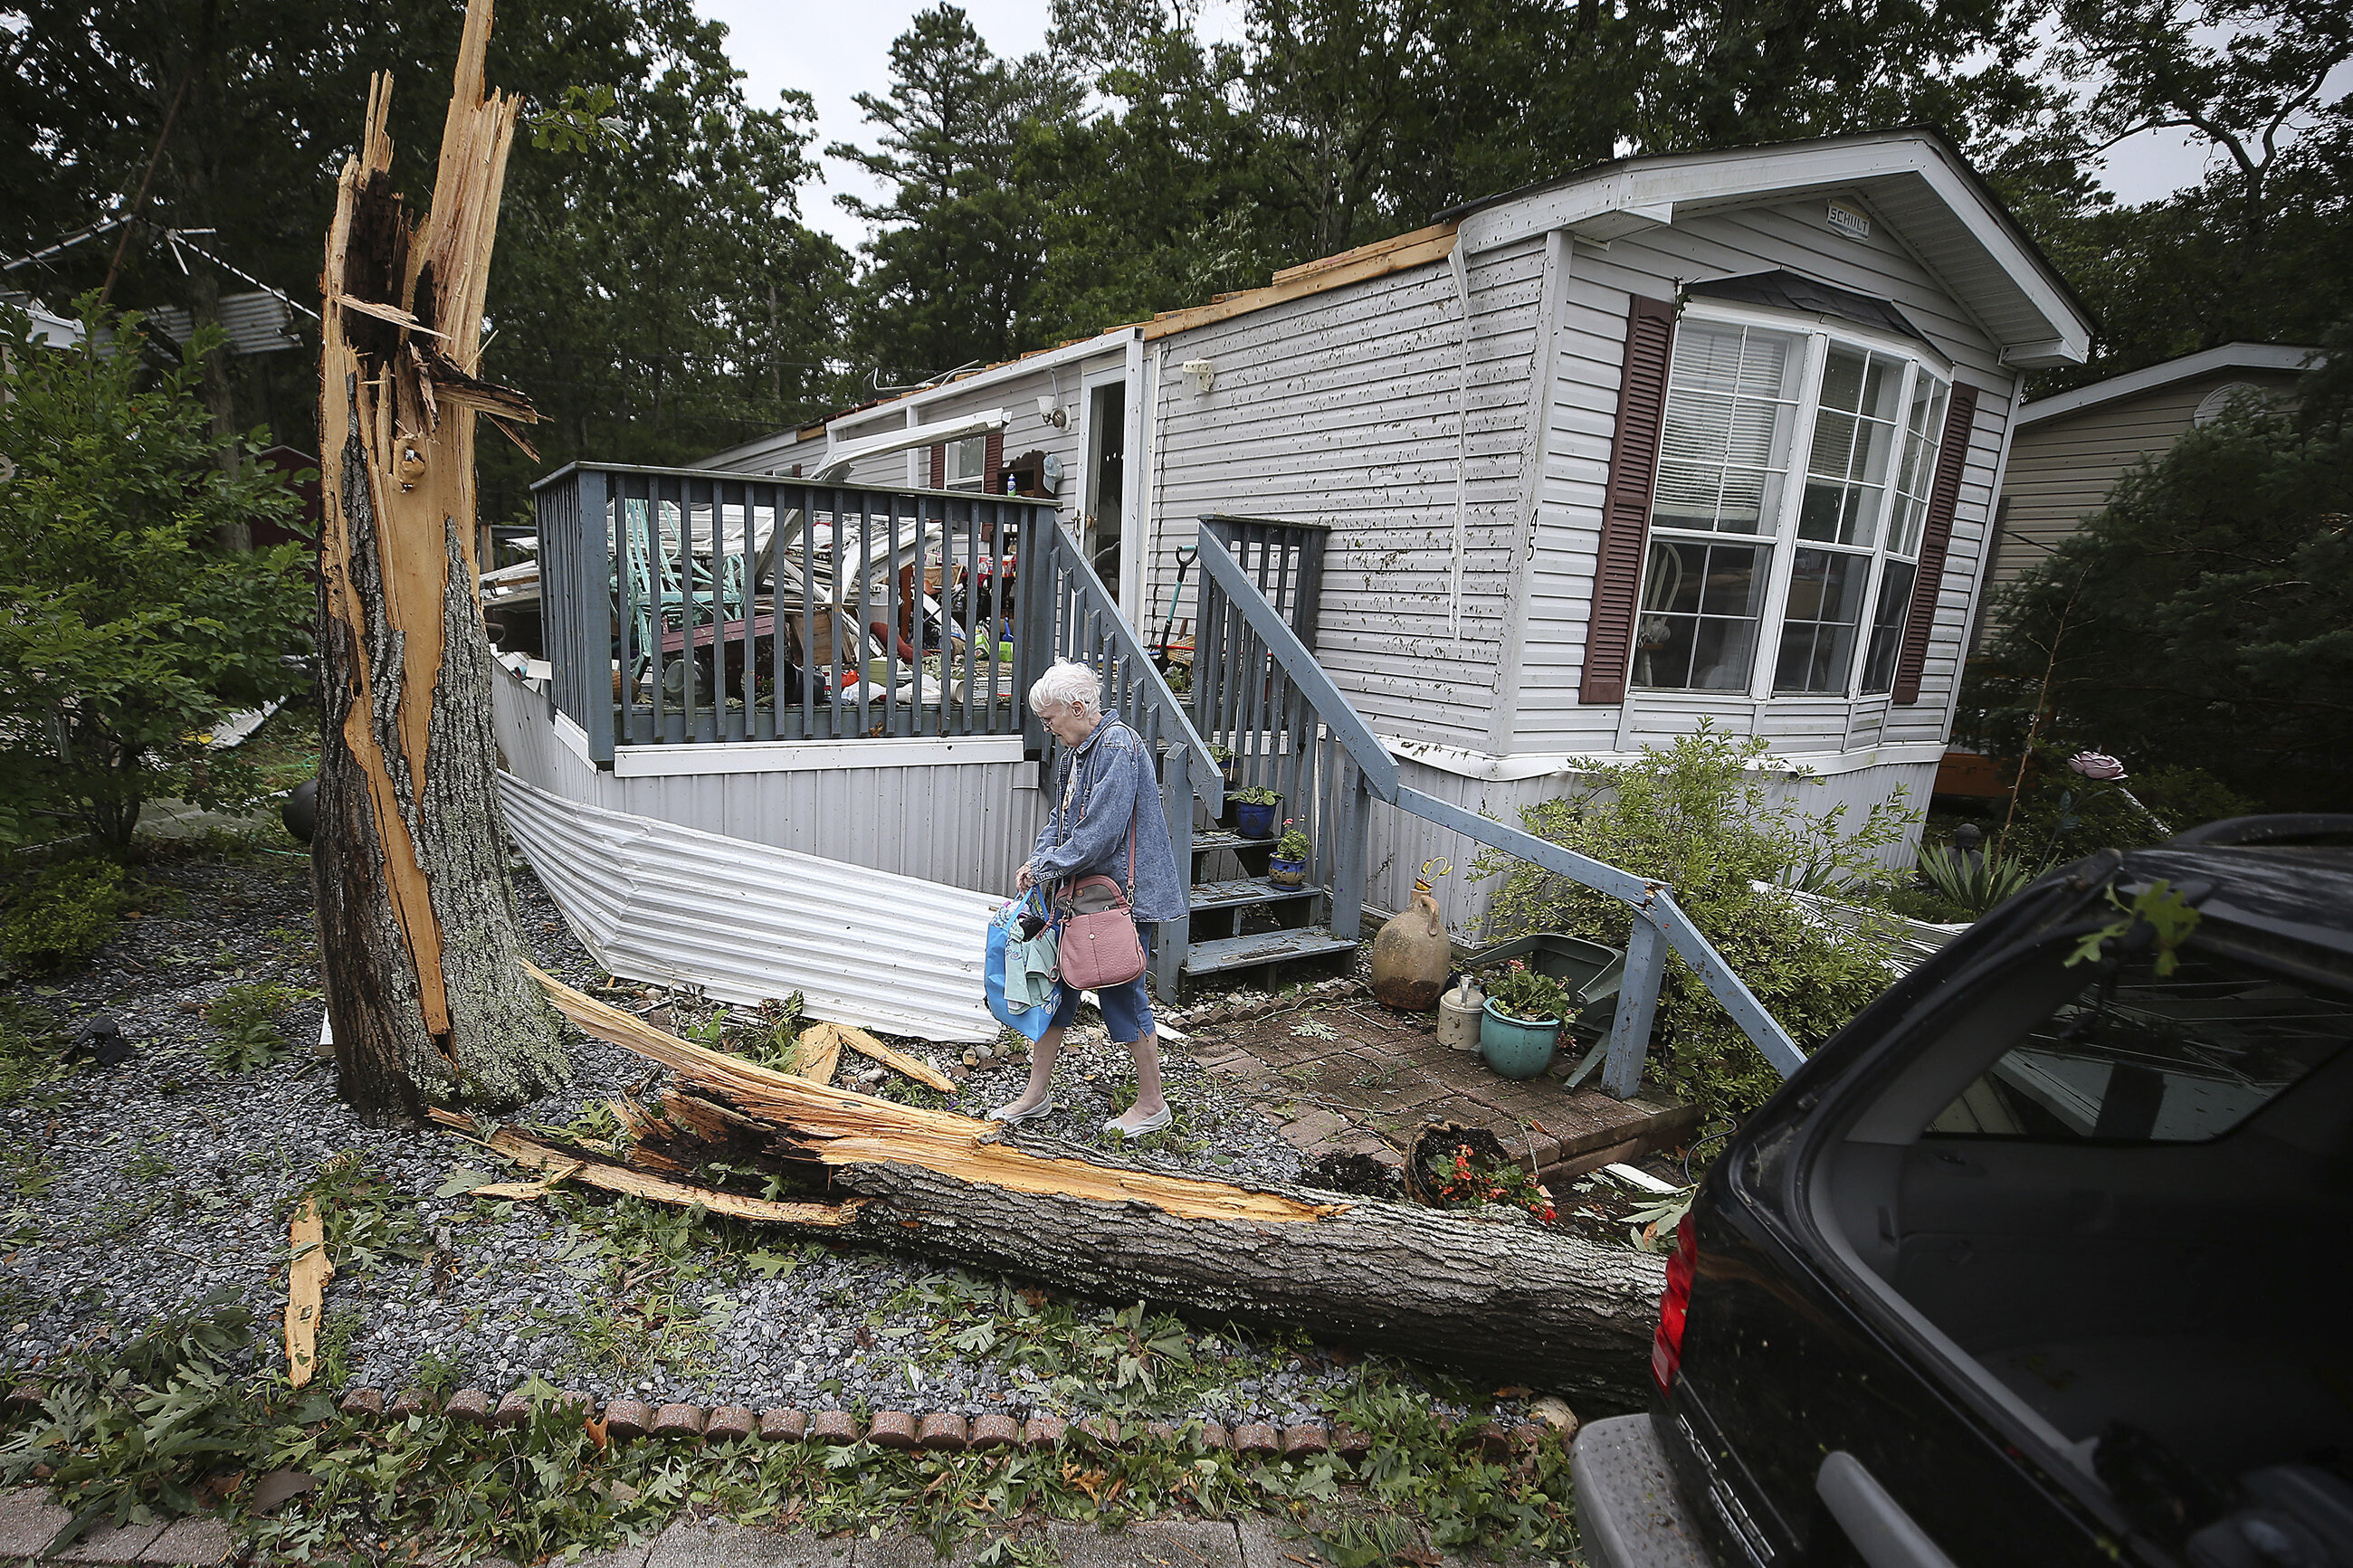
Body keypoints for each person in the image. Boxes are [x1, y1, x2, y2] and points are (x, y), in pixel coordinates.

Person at [993, 660, 1186, 1136]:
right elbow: (1059, 822)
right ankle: (1035, 1095)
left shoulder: (1119, 748)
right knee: (1058, 987)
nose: (1048, 728)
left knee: (1121, 991)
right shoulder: (1078, 752)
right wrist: (1039, 861)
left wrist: (1047, 867)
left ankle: (1151, 1104)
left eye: (1050, 719)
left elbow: (1099, 834)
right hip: (1080, 894)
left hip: (1113, 898)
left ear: (1078, 708)